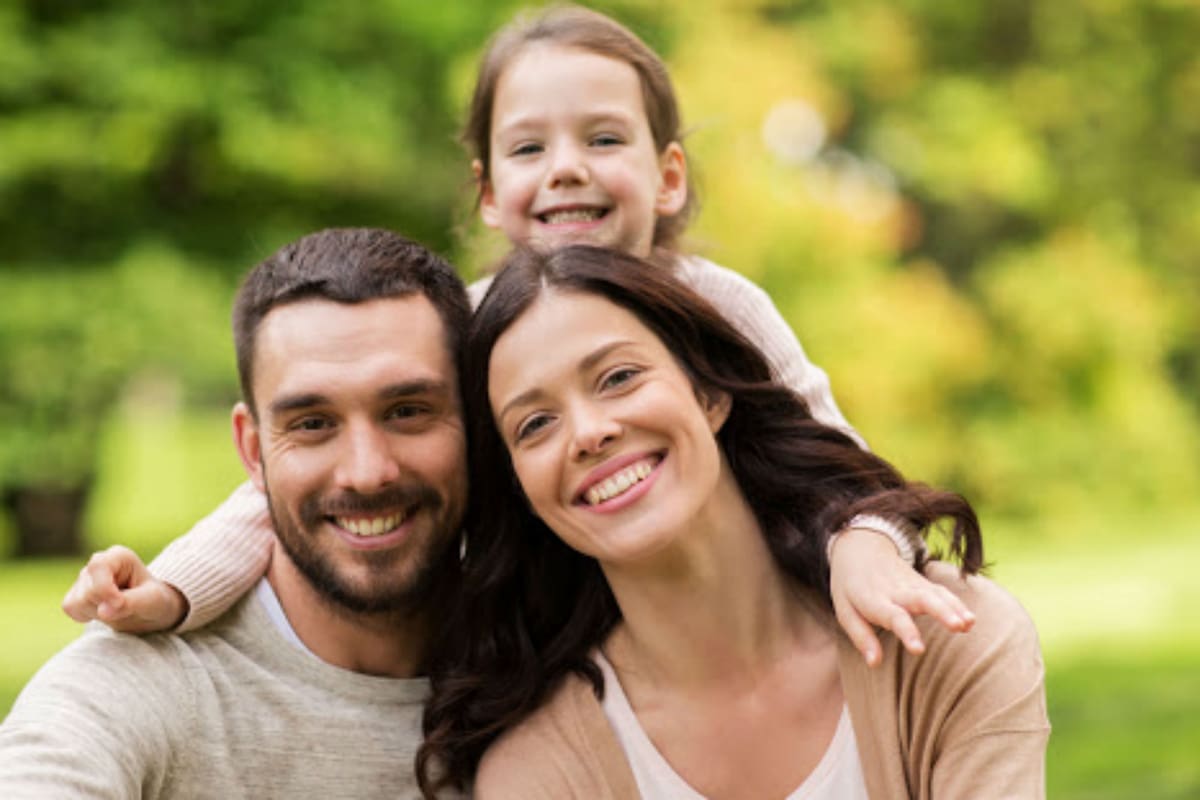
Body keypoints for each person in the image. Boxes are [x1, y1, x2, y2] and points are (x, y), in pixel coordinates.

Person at [63, 4, 970, 665]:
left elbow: (836, 462)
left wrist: (866, 546)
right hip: (557, 646)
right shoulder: (469, 325)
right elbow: (292, 480)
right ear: (490, 191)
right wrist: (177, 589)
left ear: (668, 175)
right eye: (530, 149)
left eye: (603, 139)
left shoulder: (719, 305)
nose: (567, 167)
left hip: (739, 631)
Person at [417, 245, 1049, 799]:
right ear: (523, 491)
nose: (588, 433)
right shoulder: (539, 771)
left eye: (618, 377)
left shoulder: (944, 642)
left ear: (710, 393)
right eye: (535, 424)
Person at [0, 228, 471, 799]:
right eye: (313, 423)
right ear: (252, 450)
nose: (366, 472)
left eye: (407, 410)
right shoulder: (144, 686)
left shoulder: (552, 662)